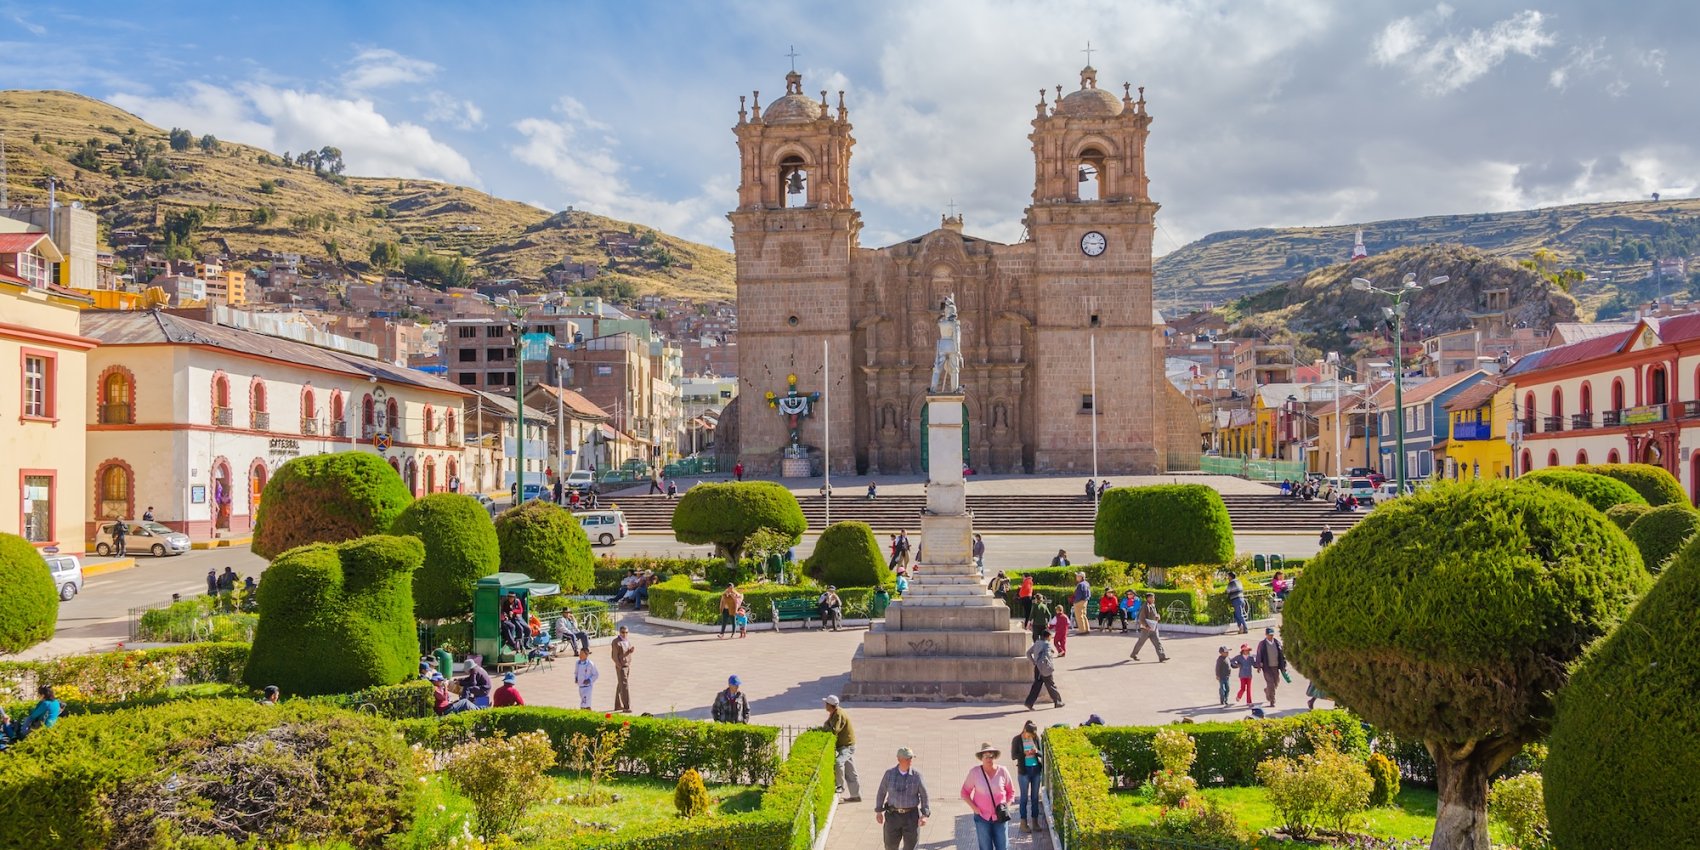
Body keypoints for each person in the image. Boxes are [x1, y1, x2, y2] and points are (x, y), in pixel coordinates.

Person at [962, 742, 1017, 850]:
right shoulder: (975, 772)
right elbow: (964, 792)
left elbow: (1011, 791)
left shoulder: (1003, 771)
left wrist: (1007, 806)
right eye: (986, 757)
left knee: (1003, 847)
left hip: (1000, 818)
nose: (989, 759)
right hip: (982, 818)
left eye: (991, 756)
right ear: (981, 758)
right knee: (985, 848)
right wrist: (975, 808)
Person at [875, 746, 931, 850]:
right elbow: (881, 792)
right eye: (907, 758)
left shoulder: (917, 776)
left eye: (911, 758)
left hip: (911, 817)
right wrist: (879, 811)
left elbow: (924, 795)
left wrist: (925, 814)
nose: (910, 761)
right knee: (890, 846)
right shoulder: (889, 774)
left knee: (911, 847)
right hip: (893, 816)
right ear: (899, 759)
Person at [822, 695, 861, 802]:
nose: (825, 705)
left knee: (839, 763)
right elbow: (827, 725)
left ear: (831, 705)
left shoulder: (838, 714)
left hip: (846, 746)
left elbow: (835, 730)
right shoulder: (834, 713)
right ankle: (856, 795)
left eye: (826, 704)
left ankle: (840, 787)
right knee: (850, 771)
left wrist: (826, 728)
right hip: (845, 745)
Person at [1010, 721, 1044, 832]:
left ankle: (1035, 822)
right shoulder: (1017, 739)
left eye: (1032, 736)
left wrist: (1036, 751)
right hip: (1024, 771)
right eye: (1029, 735)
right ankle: (1023, 822)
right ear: (1025, 730)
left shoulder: (1035, 738)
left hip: (1035, 770)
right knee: (1024, 797)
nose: (1030, 737)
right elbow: (1013, 756)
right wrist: (1024, 753)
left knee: (1035, 797)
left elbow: (1041, 753)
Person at [1023, 630, 1063, 710]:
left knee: (1036, 686)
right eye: (1050, 636)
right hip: (1045, 668)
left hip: (1038, 668)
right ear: (1047, 636)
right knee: (1051, 685)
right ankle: (1057, 701)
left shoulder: (1037, 643)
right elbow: (1046, 657)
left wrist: (1034, 662)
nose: (1051, 638)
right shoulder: (1046, 644)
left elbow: (1028, 653)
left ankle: (1029, 703)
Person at [1129, 592, 1168, 662]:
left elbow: (1155, 614)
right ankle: (1133, 654)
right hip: (1146, 629)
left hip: (1153, 628)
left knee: (1157, 642)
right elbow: (1141, 618)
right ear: (1148, 598)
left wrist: (1157, 616)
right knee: (1140, 642)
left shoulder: (1153, 605)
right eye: (1152, 598)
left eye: (1154, 598)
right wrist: (1146, 626)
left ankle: (1162, 657)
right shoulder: (1145, 606)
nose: (1153, 599)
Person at [1255, 626, 1287, 707]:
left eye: (1272, 635)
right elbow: (1258, 655)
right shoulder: (1262, 644)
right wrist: (1259, 665)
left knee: (1276, 682)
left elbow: (1282, 655)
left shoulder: (1277, 643)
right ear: (1266, 634)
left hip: (1276, 666)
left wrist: (1283, 665)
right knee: (1271, 684)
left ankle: (1267, 691)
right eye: (1269, 635)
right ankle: (1272, 700)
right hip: (1267, 667)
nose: (1270, 636)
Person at [610, 625, 634, 712]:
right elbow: (614, 656)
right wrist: (619, 666)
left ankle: (618, 705)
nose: (625, 634)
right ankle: (626, 707)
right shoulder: (616, 642)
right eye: (623, 632)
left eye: (626, 632)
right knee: (624, 686)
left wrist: (630, 651)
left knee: (621, 685)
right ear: (620, 632)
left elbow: (625, 653)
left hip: (627, 665)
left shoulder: (627, 641)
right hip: (621, 667)